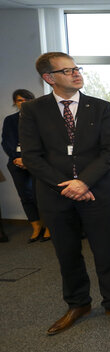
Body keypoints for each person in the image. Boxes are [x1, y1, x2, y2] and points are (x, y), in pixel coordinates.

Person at [20, 52, 110, 335]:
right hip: (55, 195)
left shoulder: (100, 107)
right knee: (67, 252)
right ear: (49, 78)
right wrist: (67, 186)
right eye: (67, 70)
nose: (76, 74)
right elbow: (32, 158)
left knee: (104, 251)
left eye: (76, 68)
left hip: (96, 192)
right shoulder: (33, 110)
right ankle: (78, 303)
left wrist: (83, 183)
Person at [2, 88, 49, 242]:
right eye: (20, 100)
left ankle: (49, 226)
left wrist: (28, 159)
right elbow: (6, 141)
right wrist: (17, 158)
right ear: (15, 103)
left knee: (41, 195)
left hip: (37, 162)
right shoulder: (10, 120)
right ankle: (36, 226)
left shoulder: (41, 118)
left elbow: (45, 141)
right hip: (16, 162)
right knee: (25, 196)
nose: (24, 103)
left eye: (27, 100)